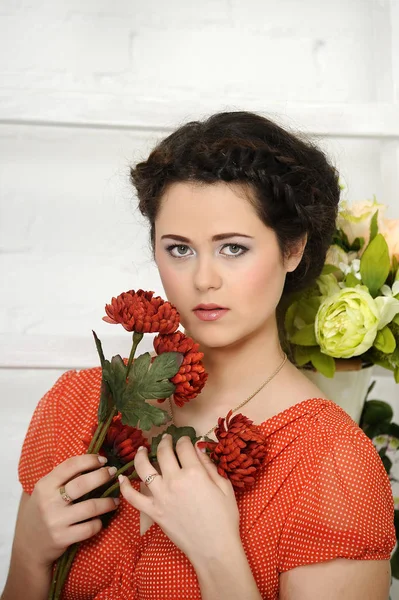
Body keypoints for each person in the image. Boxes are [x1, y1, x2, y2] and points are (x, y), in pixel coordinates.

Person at [2, 111, 395, 600]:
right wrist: (27, 554)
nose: (203, 279)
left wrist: (217, 555)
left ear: (293, 249)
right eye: (179, 249)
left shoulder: (331, 463)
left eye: (232, 248)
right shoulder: (76, 407)